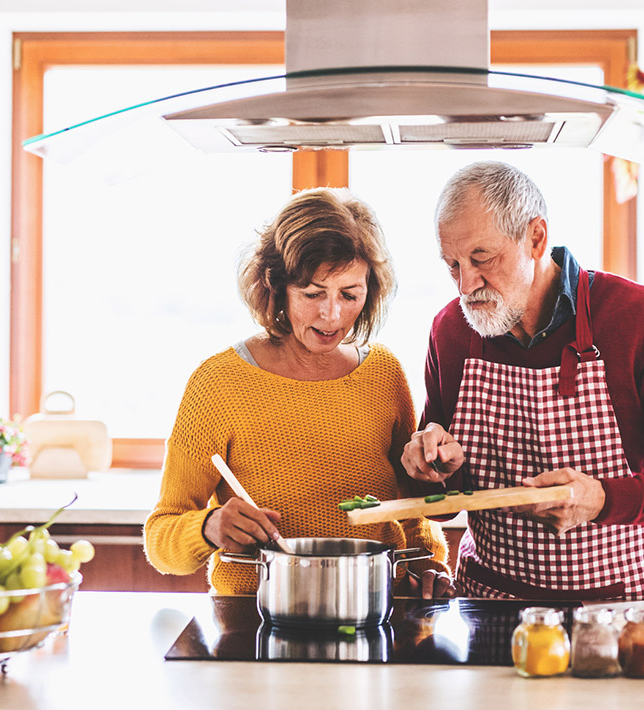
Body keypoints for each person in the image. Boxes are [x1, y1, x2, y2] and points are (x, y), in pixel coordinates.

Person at [401, 161, 644, 601]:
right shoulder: (451, 331)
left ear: (535, 237)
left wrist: (603, 498)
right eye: (452, 264)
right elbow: (438, 490)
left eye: (481, 258)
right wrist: (434, 466)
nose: (466, 285)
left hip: (620, 609)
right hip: (489, 604)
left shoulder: (638, 318)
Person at [145, 187, 452, 598]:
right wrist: (208, 527)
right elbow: (162, 538)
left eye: (350, 294)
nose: (332, 315)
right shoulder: (218, 383)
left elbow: (410, 506)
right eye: (312, 294)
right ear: (276, 287)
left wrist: (429, 563)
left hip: (374, 606)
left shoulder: (383, 373)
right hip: (256, 618)